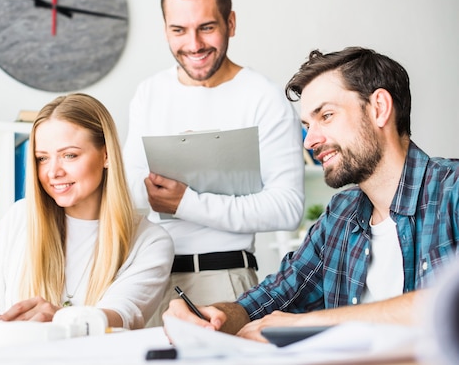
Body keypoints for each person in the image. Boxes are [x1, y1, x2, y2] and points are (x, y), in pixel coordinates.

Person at [163, 46, 459, 341]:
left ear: (379, 108)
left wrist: (312, 322)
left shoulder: (452, 192)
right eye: (307, 125)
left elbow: (447, 306)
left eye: (326, 116)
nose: (310, 141)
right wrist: (211, 318)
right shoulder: (341, 215)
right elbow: (275, 296)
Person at [122, 0, 304, 325]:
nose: (194, 45)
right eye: (179, 30)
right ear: (166, 31)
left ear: (230, 23)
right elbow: (129, 190)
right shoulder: (150, 93)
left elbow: (287, 207)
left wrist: (185, 202)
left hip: (226, 280)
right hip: (148, 278)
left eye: (206, 27)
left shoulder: (264, 98)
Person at [0, 93, 174, 330]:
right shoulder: (19, 218)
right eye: (42, 158)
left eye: (69, 155)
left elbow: (123, 315)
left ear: (106, 155)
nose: (53, 172)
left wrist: (60, 318)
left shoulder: (150, 241)